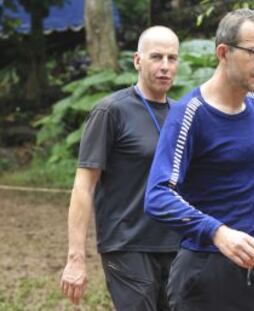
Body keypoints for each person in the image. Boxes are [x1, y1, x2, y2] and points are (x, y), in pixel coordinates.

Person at [144, 9, 254, 311]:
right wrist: (218, 233)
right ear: (223, 52)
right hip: (204, 276)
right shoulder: (190, 114)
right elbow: (157, 195)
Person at [60, 26, 181, 311]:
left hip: (178, 245)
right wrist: (76, 258)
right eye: (156, 57)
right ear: (137, 60)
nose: (165, 66)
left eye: (172, 58)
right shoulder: (111, 111)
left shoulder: (183, 114)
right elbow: (83, 186)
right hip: (127, 245)